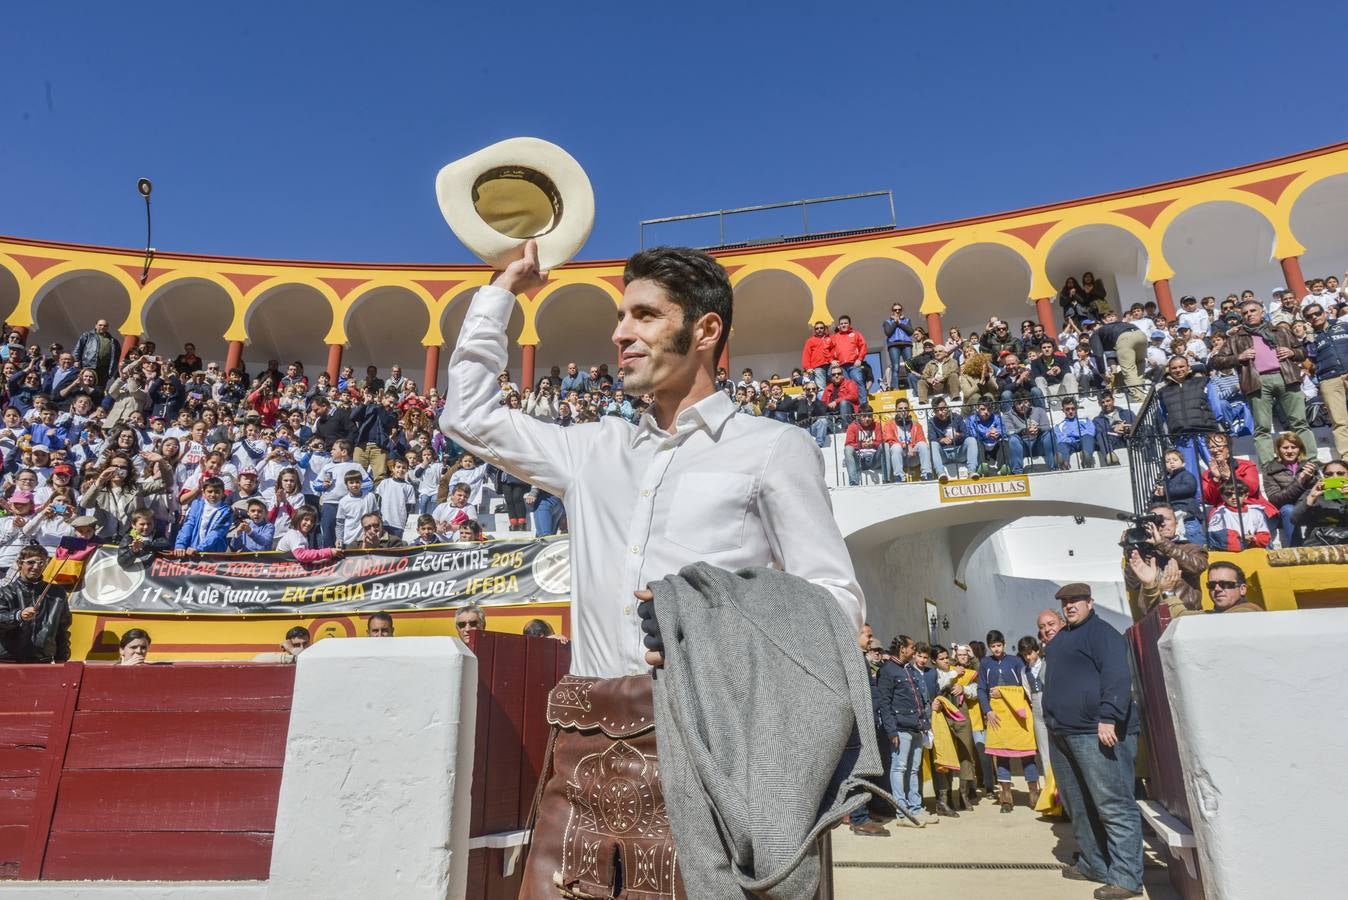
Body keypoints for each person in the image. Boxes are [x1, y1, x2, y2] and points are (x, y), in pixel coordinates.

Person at [439, 240, 864, 895]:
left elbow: (834, 598)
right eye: (619, 317)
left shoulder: (774, 449)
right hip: (583, 745)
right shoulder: (591, 451)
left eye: (643, 316)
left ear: (704, 329)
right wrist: (502, 291)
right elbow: (468, 415)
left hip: (714, 749)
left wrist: (716, 629)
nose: (620, 333)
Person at [1044, 583, 1143, 899]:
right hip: (1063, 732)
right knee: (1078, 803)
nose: (1069, 606)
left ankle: (1126, 877)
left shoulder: (1103, 634)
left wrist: (1109, 716)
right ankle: (1093, 863)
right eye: (1065, 602)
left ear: (1090, 602)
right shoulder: (1062, 639)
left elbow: (1117, 675)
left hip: (1094, 731)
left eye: (1075, 601)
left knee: (1113, 804)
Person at [1209, 298, 1315, 466]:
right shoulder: (1236, 338)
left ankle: (1311, 461)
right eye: (1245, 313)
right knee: (1262, 428)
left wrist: (1292, 353)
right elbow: (1215, 361)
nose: (1249, 315)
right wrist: (1238, 357)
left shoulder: (1281, 331)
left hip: (1286, 378)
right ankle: (1269, 467)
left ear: (1262, 312)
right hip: (1256, 382)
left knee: (1300, 422)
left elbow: (1303, 352)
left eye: (1253, 311)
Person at [977, 629, 1038, 812]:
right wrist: (987, 711)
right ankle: (1006, 798)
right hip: (998, 714)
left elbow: (1024, 685)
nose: (996, 649)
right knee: (1002, 755)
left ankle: (1034, 795)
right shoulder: (985, 663)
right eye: (993, 646)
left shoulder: (1015, 660)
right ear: (989, 647)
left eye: (998, 645)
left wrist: (1003, 692)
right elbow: (981, 689)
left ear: (1004, 644)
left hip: (1018, 712)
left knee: (1027, 754)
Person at [877, 635, 935, 826]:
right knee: (899, 768)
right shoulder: (888, 670)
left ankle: (916, 808)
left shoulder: (909, 670)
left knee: (913, 770)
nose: (913, 650)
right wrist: (891, 730)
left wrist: (925, 724)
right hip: (900, 729)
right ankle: (902, 812)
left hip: (916, 727)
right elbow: (884, 703)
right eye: (911, 647)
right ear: (902, 648)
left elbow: (919, 698)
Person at [1123, 503, 1208, 618]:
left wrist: (1162, 543)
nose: (1162, 523)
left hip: (1186, 613)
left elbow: (1198, 567)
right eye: (1157, 520)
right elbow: (1133, 585)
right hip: (1154, 616)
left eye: (1167, 519)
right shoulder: (1143, 553)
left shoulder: (1191, 548)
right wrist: (1129, 550)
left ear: (1176, 523)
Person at [0, 546, 72, 663]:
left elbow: (62, 629)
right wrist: (18, 616)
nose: (36, 567)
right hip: (9, 661)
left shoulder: (57, 593)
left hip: (43, 661)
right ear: (19, 564)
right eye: (31, 562)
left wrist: (62, 660)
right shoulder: (4, 592)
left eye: (41, 563)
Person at [1304, 301, 1348, 458]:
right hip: (1329, 379)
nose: (1314, 317)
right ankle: (1347, 458)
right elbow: (1310, 362)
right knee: (1339, 421)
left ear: (1324, 313)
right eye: (1310, 316)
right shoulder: (1309, 339)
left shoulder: (1343, 326)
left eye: (1317, 313)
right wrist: (1309, 339)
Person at [1261, 433, 1319, 548]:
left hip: (1309, 506)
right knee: (1288, 509)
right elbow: (1275, 499)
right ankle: (1295, 548)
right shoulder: (1270, 470)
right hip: (1287, 512)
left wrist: (1312, 478)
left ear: (1300, 449)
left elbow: (1320, 487)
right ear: (1278, 450)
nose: (1290, 451)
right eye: (1285, 447)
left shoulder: (1311, 466)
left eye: (1294, 447)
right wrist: (1300, 480)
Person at [1089, 312, 1148, 403]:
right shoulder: (1117, 324)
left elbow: (1098, 355)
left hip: (1124, 338)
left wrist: (1103, 373)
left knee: (1128, 370)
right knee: (1140, 362)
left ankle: (1140, 399)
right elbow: (1112, 355)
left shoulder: (1095, 335)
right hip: (1141, 335)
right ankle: (1141, 392)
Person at [1291, 457, 1348, 546]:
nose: (1334, 477)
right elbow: (1295, 520)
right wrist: (1311, 498)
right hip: (1318, 543)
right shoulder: (1313, 493)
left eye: (1340, 474)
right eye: (1329, 474)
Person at [926, 398, 978, 482]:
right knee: (933, 444)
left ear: (947, 407)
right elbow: (931, 438)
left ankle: (972, 471)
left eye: (942, 409)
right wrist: (942, 440)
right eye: (936, 410)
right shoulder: (931, 422)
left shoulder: (957, 417)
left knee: (971, 440)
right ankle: (941, 473)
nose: (940, 412)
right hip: (943, 454)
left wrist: (958, 435)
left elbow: (967, 434)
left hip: (959, 452)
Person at [843, 405, 889, 485]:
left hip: (874, 459)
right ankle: (853, 482)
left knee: (885, 445)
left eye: (869, 416)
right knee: (848, 448)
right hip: (859, 459)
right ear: (859, 416)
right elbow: (848, 443)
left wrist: (872, 444)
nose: (867, 419)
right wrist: (862, 445)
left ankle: (887, 479)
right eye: (864, 416)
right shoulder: (852, 426)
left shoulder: (877, 425)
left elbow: (881, 441)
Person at [882, 302, 914, 389]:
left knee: (909, 366)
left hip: (906, 344)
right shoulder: (887, 322)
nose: (897, 311)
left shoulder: (907, 320)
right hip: (894, 345)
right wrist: (895, 322)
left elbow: (910, 332)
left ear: (901, 310)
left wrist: (900, 323)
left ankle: (912, 387)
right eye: (895, 309)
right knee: (895, 367)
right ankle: (895, 388)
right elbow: (888, 333)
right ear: (892, 311)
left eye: (899, 309)